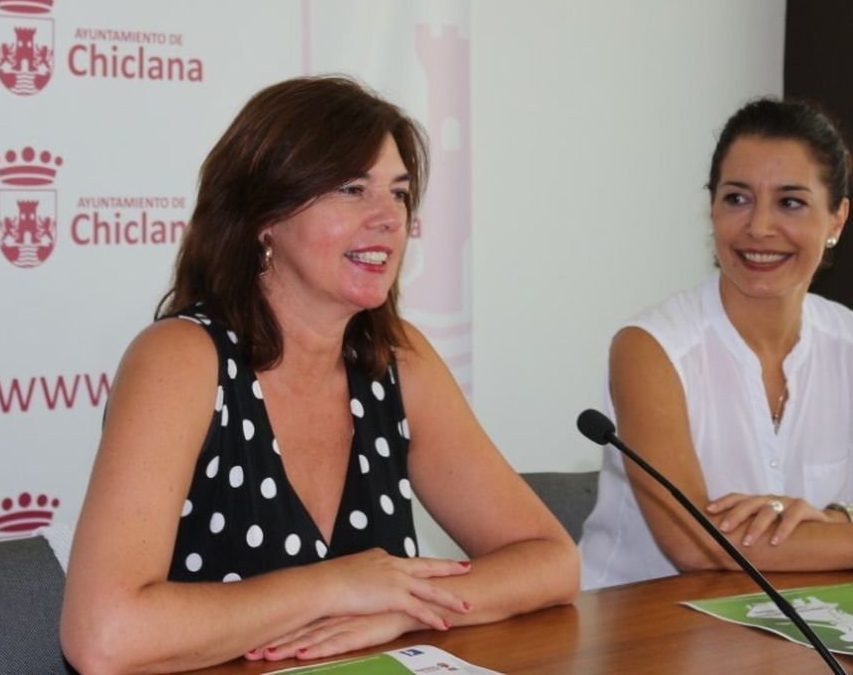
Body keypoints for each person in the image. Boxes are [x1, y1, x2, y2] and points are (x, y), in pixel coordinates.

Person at [61, 76, 578, 672]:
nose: (390, 218)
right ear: (264, 218)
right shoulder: (181, 359)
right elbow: (104, 637)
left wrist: (409, 608)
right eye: (352, 189)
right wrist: (337, 586)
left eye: (400, 193)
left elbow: (550, 559)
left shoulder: (394, 360)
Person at [578, 97, 853, 589]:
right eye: (737, 198)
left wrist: (835, 520)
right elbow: (697, 541)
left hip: (789, 624)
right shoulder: (650, 348)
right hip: (637, 633)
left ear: (836, 221)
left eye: (790, 203)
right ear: (712, 209)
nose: (759, 227)